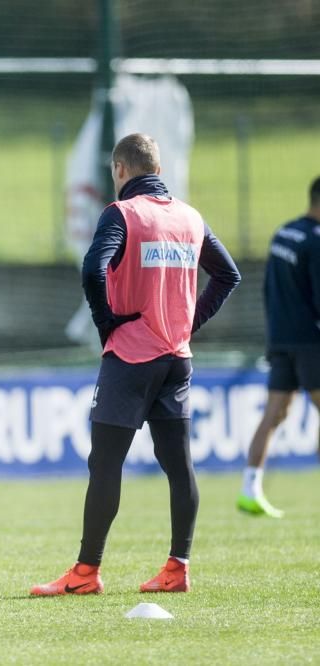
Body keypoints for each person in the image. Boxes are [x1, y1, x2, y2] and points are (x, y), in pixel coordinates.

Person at [30, 133, 240, 596]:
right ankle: (178, 567)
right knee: (179, 466)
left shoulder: (121, 214)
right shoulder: (189, 217)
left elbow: (92, 269)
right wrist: (188, 323)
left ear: (120, 170)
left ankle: (86, 573)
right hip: (176, 360)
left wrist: (107, 323)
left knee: (105, 464)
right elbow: (228, 274)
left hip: (130, 358)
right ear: (158, 171)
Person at [239, 176, 320, 518]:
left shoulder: (283, 233)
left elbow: (268, 289)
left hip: (281, 339)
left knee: (275, 413)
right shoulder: (316, 241)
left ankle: (249, 490)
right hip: (309, 341)